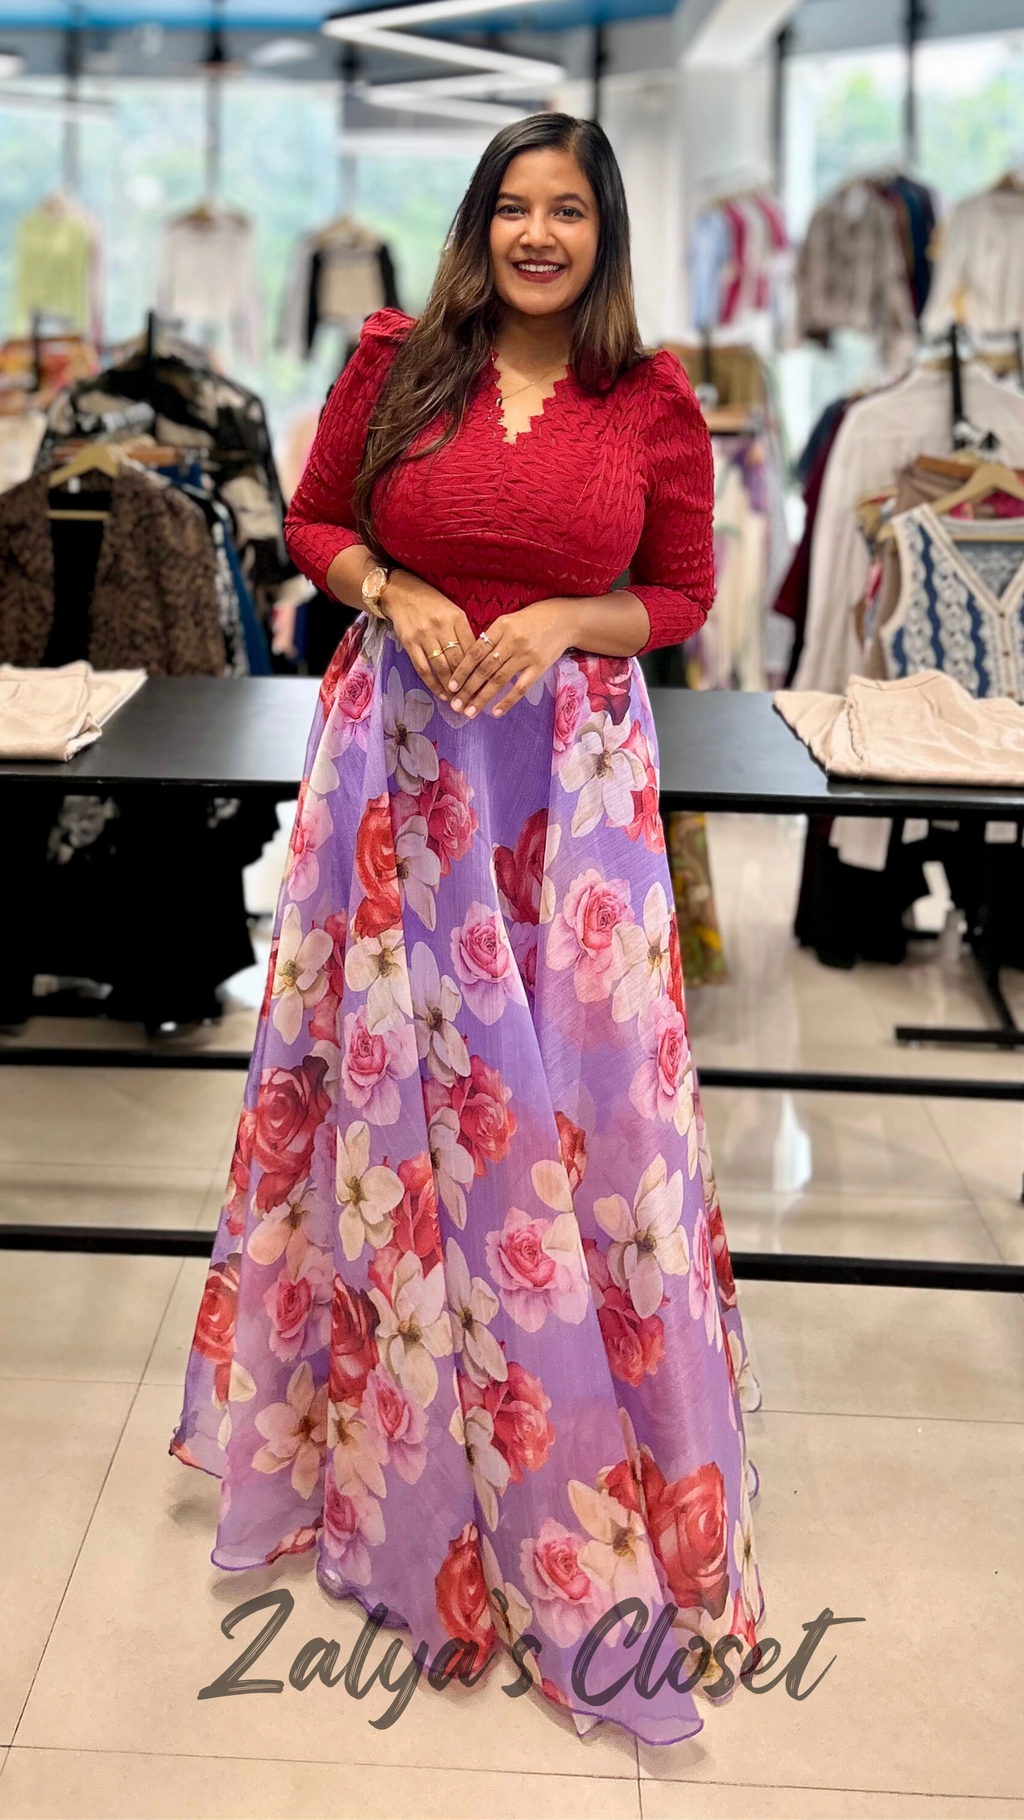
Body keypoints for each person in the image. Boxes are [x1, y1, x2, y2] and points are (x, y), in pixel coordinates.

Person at [173, 112, 762, 1747]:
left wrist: (565, 616)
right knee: (395, 1108)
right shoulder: (397, 361)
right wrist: (396, 590)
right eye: (515, 206)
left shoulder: (649, 401)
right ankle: (395, 1465)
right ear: (479, 224)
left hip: (566, 794)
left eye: (569, 209)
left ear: (606, 230)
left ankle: (587, 1448)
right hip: (400, 774)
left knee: (576, 1112)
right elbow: (308, 523)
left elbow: (685, 596)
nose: (538, 234)